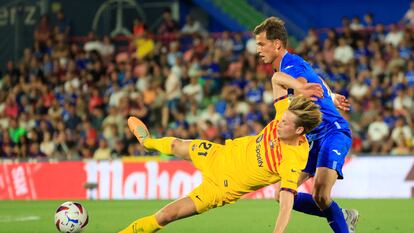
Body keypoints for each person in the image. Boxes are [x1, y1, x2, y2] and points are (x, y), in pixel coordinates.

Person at [118, 78, 324, 233]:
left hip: (219, 189)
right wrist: (299, 87)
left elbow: (286, 201)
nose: (280, 123)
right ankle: (147, 143)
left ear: (299, 131)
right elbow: (276, 78)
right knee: (176, 144)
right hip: (217, 154)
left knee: (165, 216)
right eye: (283, 119)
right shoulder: (283, 117)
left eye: (286, 123)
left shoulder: (293, 158)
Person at [254, 16, 358, 233]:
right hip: (310, 138)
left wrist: (305, 92)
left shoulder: (290, 67)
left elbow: (303, 83)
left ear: (277, 44)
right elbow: (315, 78)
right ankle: (342, 215)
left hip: (332, 131)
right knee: (282, 193)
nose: (258, 49)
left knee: (321, 194)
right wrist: (330, 94)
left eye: (261, 44)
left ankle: (341, 221)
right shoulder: (291, 64)